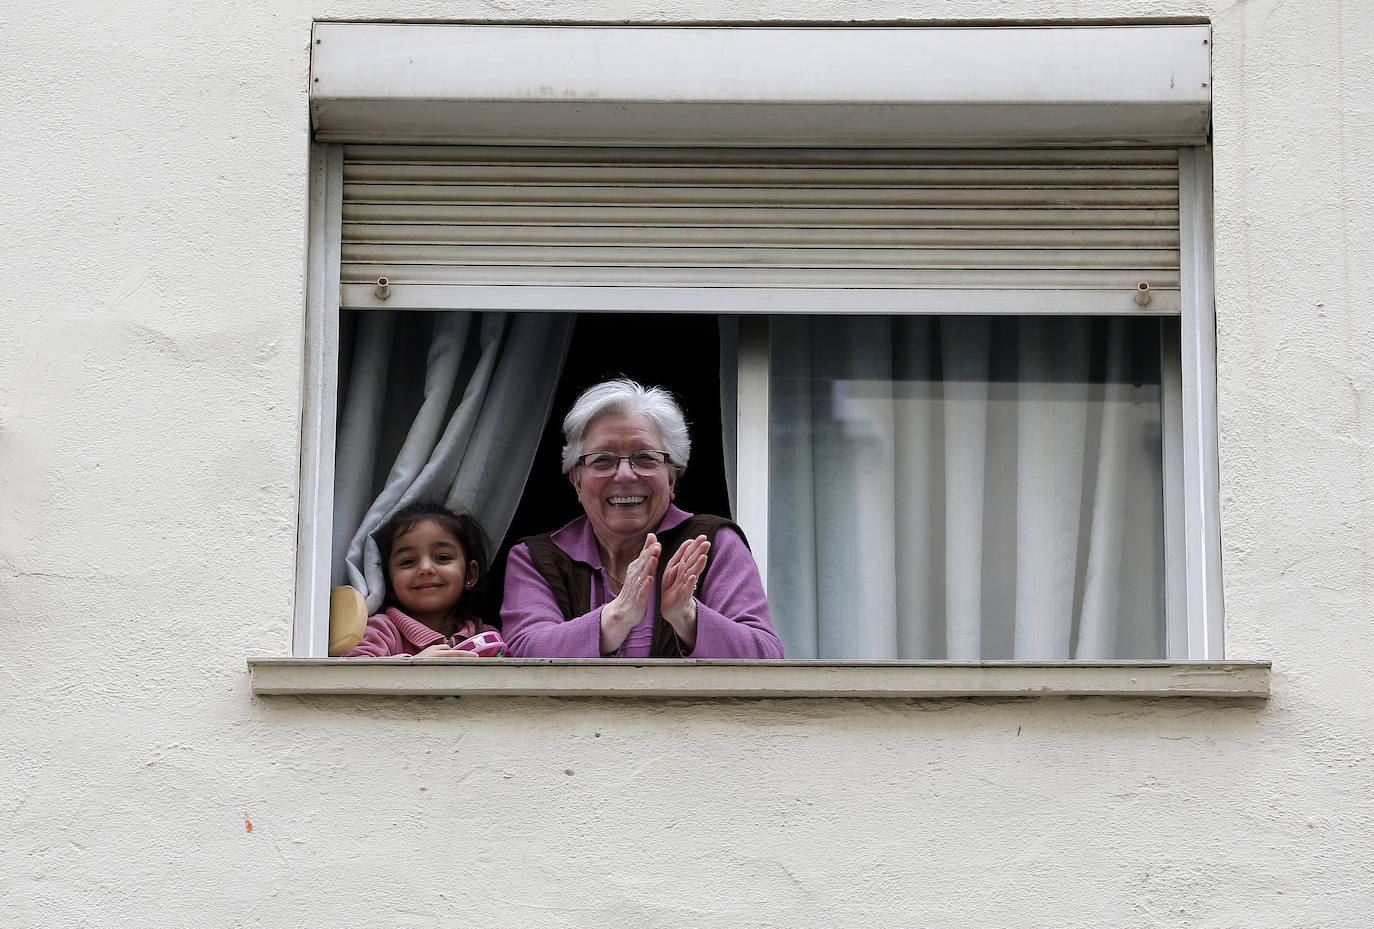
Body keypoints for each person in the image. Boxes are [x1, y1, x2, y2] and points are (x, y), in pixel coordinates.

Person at [501, 379, 784, 658]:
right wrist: (617, 615)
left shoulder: (712, 543)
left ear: (672, 477)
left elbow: (767, 658)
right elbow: (524, 654)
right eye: (602, 459)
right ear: (577, 480)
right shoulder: (535, 557)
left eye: (646, 457)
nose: (625, 474)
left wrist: (687, 616)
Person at [346, 502, 506, 657]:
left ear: (470, 574)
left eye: (442, 557)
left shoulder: (486, 636)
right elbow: (354, 676)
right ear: (388, 578)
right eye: (407, 561)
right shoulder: (382, 631)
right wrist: (413, 666)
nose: (425, 568)